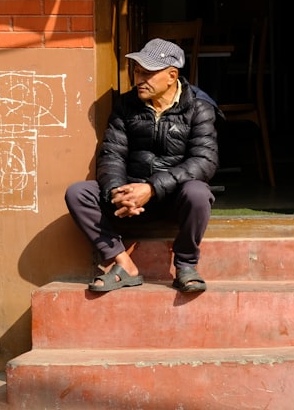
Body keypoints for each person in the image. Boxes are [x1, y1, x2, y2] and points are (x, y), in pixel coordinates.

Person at [65, 38, 220, 293]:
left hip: (172, 198)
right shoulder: (126, 106)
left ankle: (186, 265)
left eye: (147, 73)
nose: (139, 79)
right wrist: (118, 192)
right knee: (78, 193)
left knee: (199, 193)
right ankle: (123, 263)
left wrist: (151, 188)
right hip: (130, 203)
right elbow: (112, 155)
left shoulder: (199, 108)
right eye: (137, 71)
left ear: (172, 75)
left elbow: (204, 162)